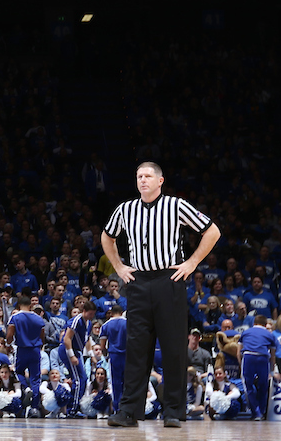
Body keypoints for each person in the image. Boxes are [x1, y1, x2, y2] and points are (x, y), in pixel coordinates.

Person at [102, 162, 219, 428]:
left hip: (170, 279)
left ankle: (174, 412)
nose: (142, 180)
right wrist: (119, 267)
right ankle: (129, 411)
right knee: (136, 349)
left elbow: (212, 231)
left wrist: (191, 263)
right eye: (139, 176)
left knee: (173, 348)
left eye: (148, 176)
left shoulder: (176, 205)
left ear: (160, 180)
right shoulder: (125, 209)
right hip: (139, 282)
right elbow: (106, 237)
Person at [5, 302, 46, 414]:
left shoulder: (15, 317)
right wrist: (39, 345)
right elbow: (43, 335)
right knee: (36, 378)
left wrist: (8, 345)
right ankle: (34, 407)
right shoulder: (38, 318)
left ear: (18, 307)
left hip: (22, 349)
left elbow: (9, 335)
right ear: (30, 306)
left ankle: (25, 388)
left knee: (18, 372)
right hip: (35, 350)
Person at [60, 299, 97, 416]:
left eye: (93, 314)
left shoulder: (89, 323)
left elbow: (87, 340)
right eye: (90, 313)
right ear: (84, 311)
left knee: (83, 379)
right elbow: (67, 339)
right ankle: (72, 409)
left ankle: (76, 406)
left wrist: (91, 355)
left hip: (77, 351)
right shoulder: (76, 320)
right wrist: (71, 356)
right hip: (68, 350)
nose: (92, 316)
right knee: (78, 380)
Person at [238, 314, 279, 420]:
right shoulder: (269, 334)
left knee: (248, 386)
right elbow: (273, 356)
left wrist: (240, 364)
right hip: (263, 358)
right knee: (263, 386)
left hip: (248, 356)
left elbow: (238, 352)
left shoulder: (245, 332)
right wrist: (272, 370)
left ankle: (256, 413)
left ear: (254, 323)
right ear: (265, 325)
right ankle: (262, 411)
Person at [99, 303, 128, 413]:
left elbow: (102, 345)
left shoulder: (106, 325)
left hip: (114, 355)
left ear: (111, 313)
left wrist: (106, 354)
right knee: (126, 382)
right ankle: (127, 408)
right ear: (121, 312)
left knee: (116, 383)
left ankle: (117, 408)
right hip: (126, 355)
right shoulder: (127, 323)